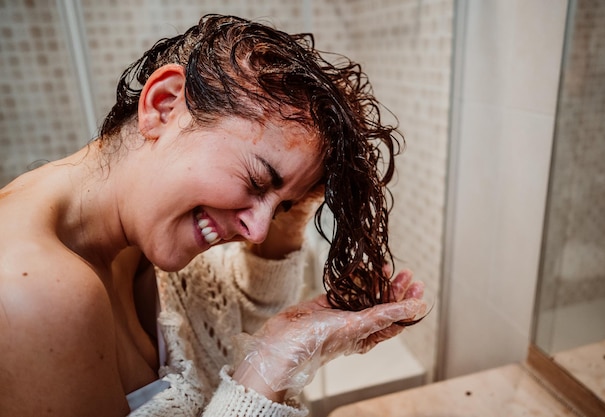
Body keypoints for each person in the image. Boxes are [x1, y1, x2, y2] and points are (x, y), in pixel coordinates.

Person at [0, 14, 427, 417]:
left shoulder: (139, 237)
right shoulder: (30, 290)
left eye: (280, 206)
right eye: (258, 180)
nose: (259, 232)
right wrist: (271, 366)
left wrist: (293, 207)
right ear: (164, 104)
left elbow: (235, 315)